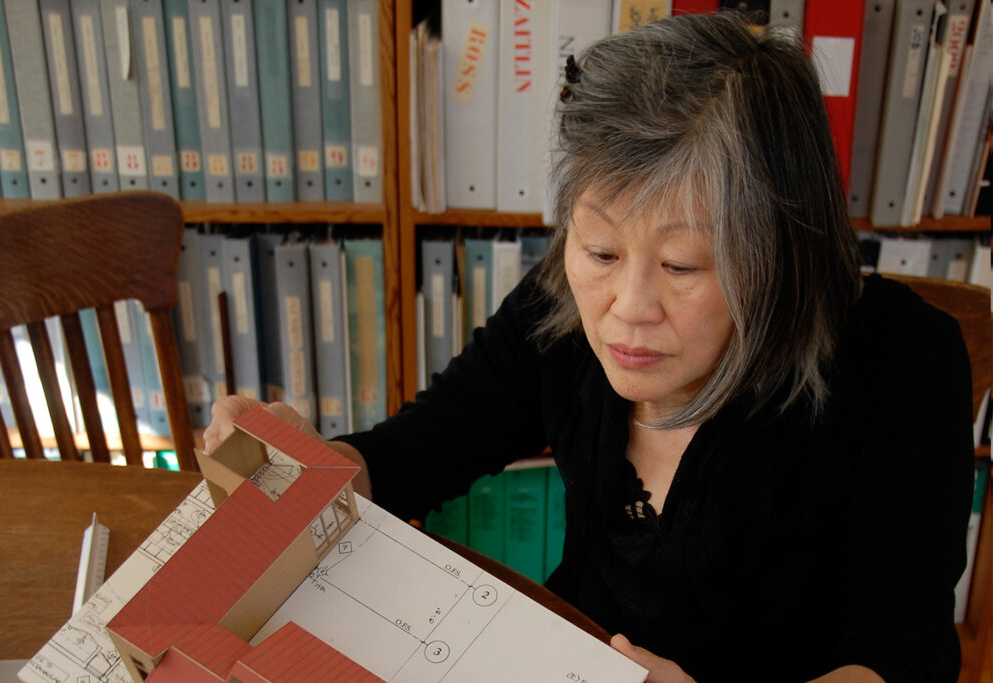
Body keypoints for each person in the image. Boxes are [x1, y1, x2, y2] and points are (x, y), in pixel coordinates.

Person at [202, 12, 975, 682]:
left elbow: (899, 654)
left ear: (780, 251)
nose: (626, 309)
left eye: (682, 266)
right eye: (601, 250)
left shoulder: (903, 359)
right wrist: (308, 468)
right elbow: (416, 451)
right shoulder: (561, 312)